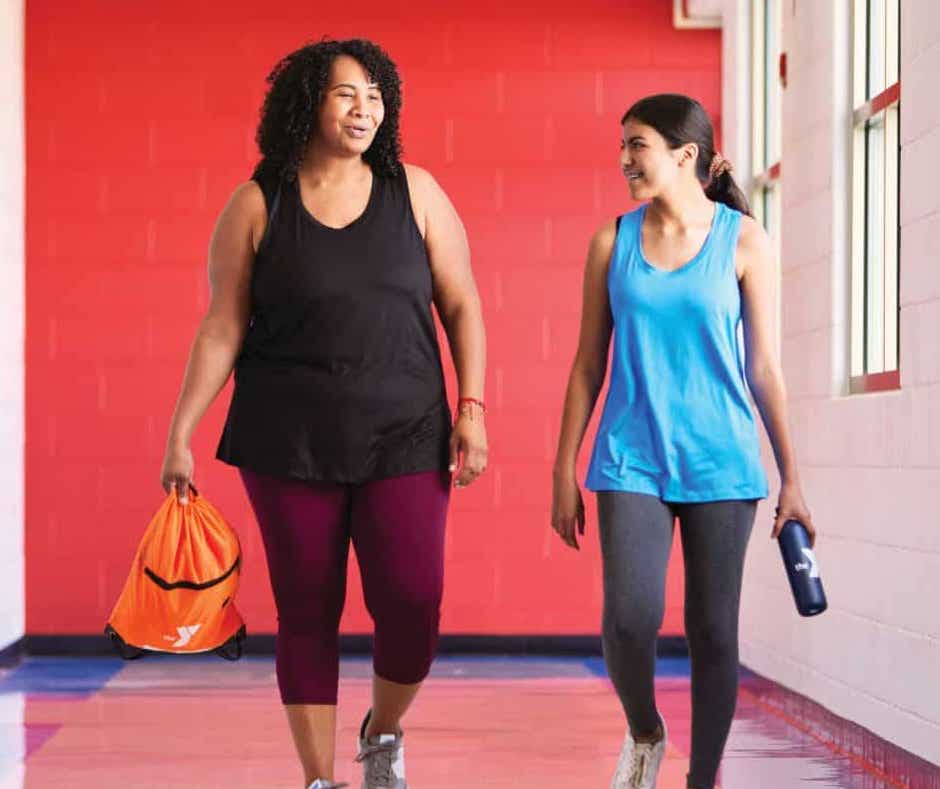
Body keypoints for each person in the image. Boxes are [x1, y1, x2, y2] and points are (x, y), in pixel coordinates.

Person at [159, 38, 487, 789]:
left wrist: (472, 406)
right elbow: (222, 326)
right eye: (347, 94)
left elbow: (463, 303)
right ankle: (318, 778)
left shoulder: (417, 192)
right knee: (306, 606)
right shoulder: (256, 203)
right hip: (287, 438)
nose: (365, 109)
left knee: (412, 598)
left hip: (407, 432)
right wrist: (181, 432)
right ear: (308, 104)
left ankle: (383, 730)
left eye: (376, 97)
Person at [550, 93, 815, 789]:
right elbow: (586, 365)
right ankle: (645, 731)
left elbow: (765, 368)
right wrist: (562, 468)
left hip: (721, 460)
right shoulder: (611, 242)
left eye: (636, 144)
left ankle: (702, 779)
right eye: (622, 145)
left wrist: (792, 478)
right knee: (629, 621)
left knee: (714, 630)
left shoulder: (744, 240)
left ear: (684, 154)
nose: (623, 159)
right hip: (629, 455)